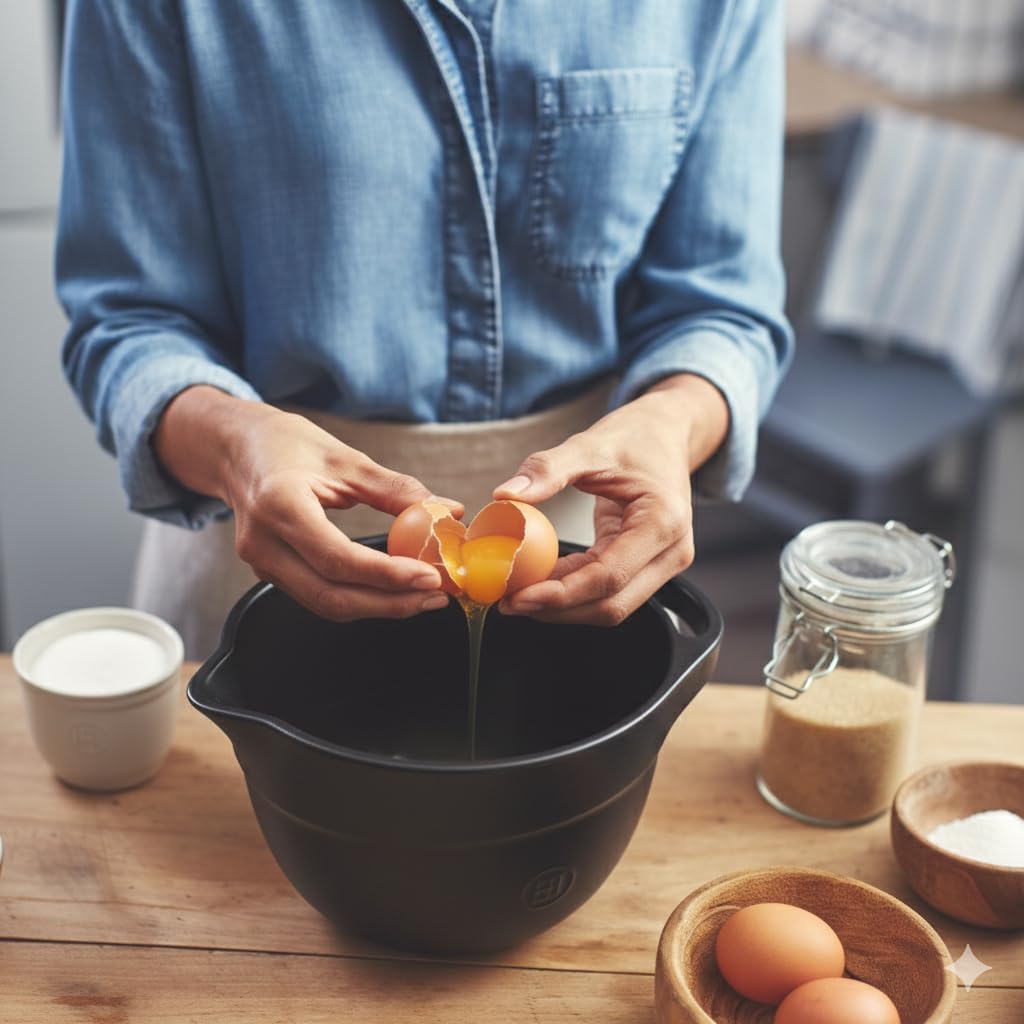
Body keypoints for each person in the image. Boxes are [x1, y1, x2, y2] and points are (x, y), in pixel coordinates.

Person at [57, 0, 793, 659]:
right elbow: (129, 320)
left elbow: (721, 308)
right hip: (266, 544)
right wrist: (233, 448)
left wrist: (671, 423)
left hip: (580, 566)